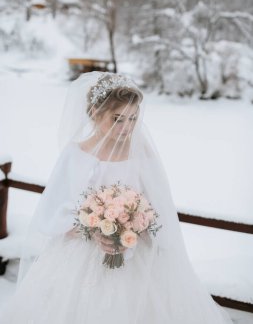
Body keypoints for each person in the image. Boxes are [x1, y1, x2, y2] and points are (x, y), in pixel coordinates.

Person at [0, 71, 233, 324]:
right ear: (94, 113)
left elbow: (157, 204)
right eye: (118, 119)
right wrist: (91, 227)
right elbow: (54, 209)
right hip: (79, 253)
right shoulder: (75, 154)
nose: (127, 128)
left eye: (133, 118)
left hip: (135, 252)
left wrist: (136, 225)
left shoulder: (141, 153)